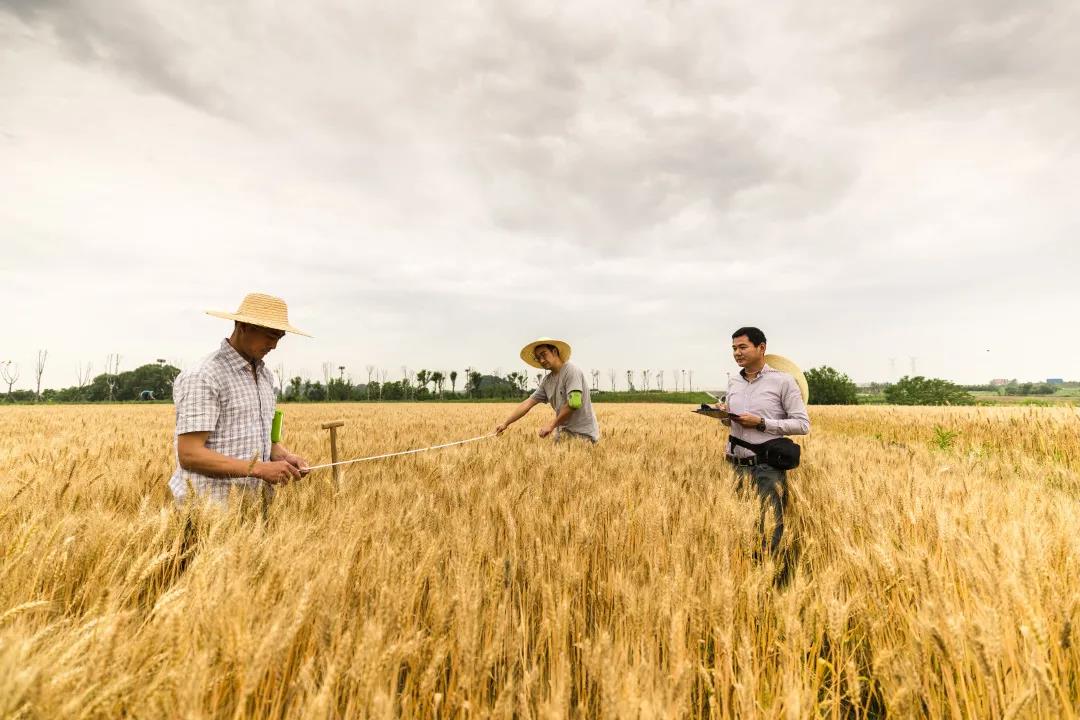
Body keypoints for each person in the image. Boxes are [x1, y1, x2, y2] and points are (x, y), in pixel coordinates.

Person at [168, 293, 313, 505]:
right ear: (243, 325)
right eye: (271, 335)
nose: (274, 346)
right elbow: (190, 454)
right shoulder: (204, 375)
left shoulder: (265, 376)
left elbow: (259, 439)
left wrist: (282, 456)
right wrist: (260, 469)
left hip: (253, 513)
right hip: (208, 512)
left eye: (280, 337)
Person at [715, 326, 809, 555]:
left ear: (761, 348)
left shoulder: (784, 382)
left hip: (766, 466)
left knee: (768, 528)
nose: (737, 353)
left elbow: (802, 424)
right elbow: (734, 422)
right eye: (734, 348)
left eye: (742, 347)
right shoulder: (734, 383)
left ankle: (769, 577)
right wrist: (724, 415)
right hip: (735, 465)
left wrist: (761, 423)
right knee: (739, 526)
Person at [493, 337, 600, 444]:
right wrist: (505, 423)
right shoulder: (547, 381)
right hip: (563, 434)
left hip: (583, 436)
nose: (541, 360)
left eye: (543, 354)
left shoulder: (571, 370)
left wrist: (551, 425)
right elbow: (528, 403)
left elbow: (574, 403)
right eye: (538, 358)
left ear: (554, 352)